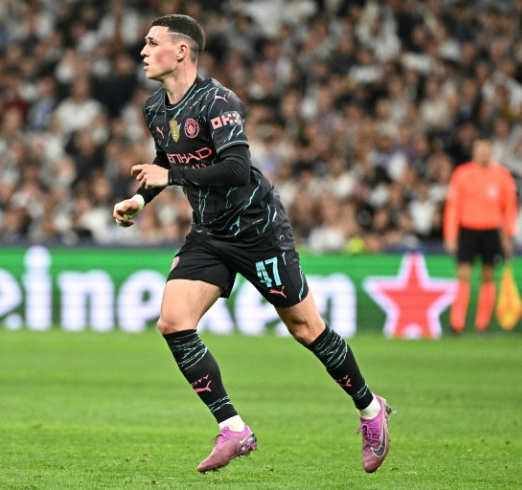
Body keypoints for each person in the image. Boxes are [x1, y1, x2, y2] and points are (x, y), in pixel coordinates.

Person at [112, 14, 391, 474]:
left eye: (151, 42)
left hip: (258, 231)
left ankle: (369, 409)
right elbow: (169, 160)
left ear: (181, 51)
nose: (142, 50)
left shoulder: (218, 101)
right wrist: (141, 198)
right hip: (209, 234)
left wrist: (170, 175)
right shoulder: (154, 109)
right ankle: (233, 429)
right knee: (172, 321)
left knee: (307, 331)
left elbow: (236, 169)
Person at [443, 139, 518, 333]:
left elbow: (509, 208)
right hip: (468, 229)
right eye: (480, 149)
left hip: (491, 230)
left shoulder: (501, 176)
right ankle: (456, 324)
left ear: (491, 151)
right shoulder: (462, 174)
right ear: (474, 151)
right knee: (463, 274)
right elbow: (452, 207)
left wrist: (508, 234)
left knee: (488, 276)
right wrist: (451, 235)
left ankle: (481, 325)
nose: (483, 153)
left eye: (486, 149)